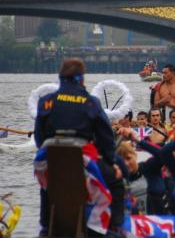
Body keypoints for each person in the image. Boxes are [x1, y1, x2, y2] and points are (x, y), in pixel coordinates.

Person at [33, 58, 124, 236]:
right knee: (116, 181)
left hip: (49, 160)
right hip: (82, 160)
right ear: (81, 79)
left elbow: (39, 137)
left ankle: (45, 226)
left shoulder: (45, 101)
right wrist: (111, 161)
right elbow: (106, 138)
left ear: (60, 77)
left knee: (47, 186)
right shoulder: (90, 102)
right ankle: (114, 227)